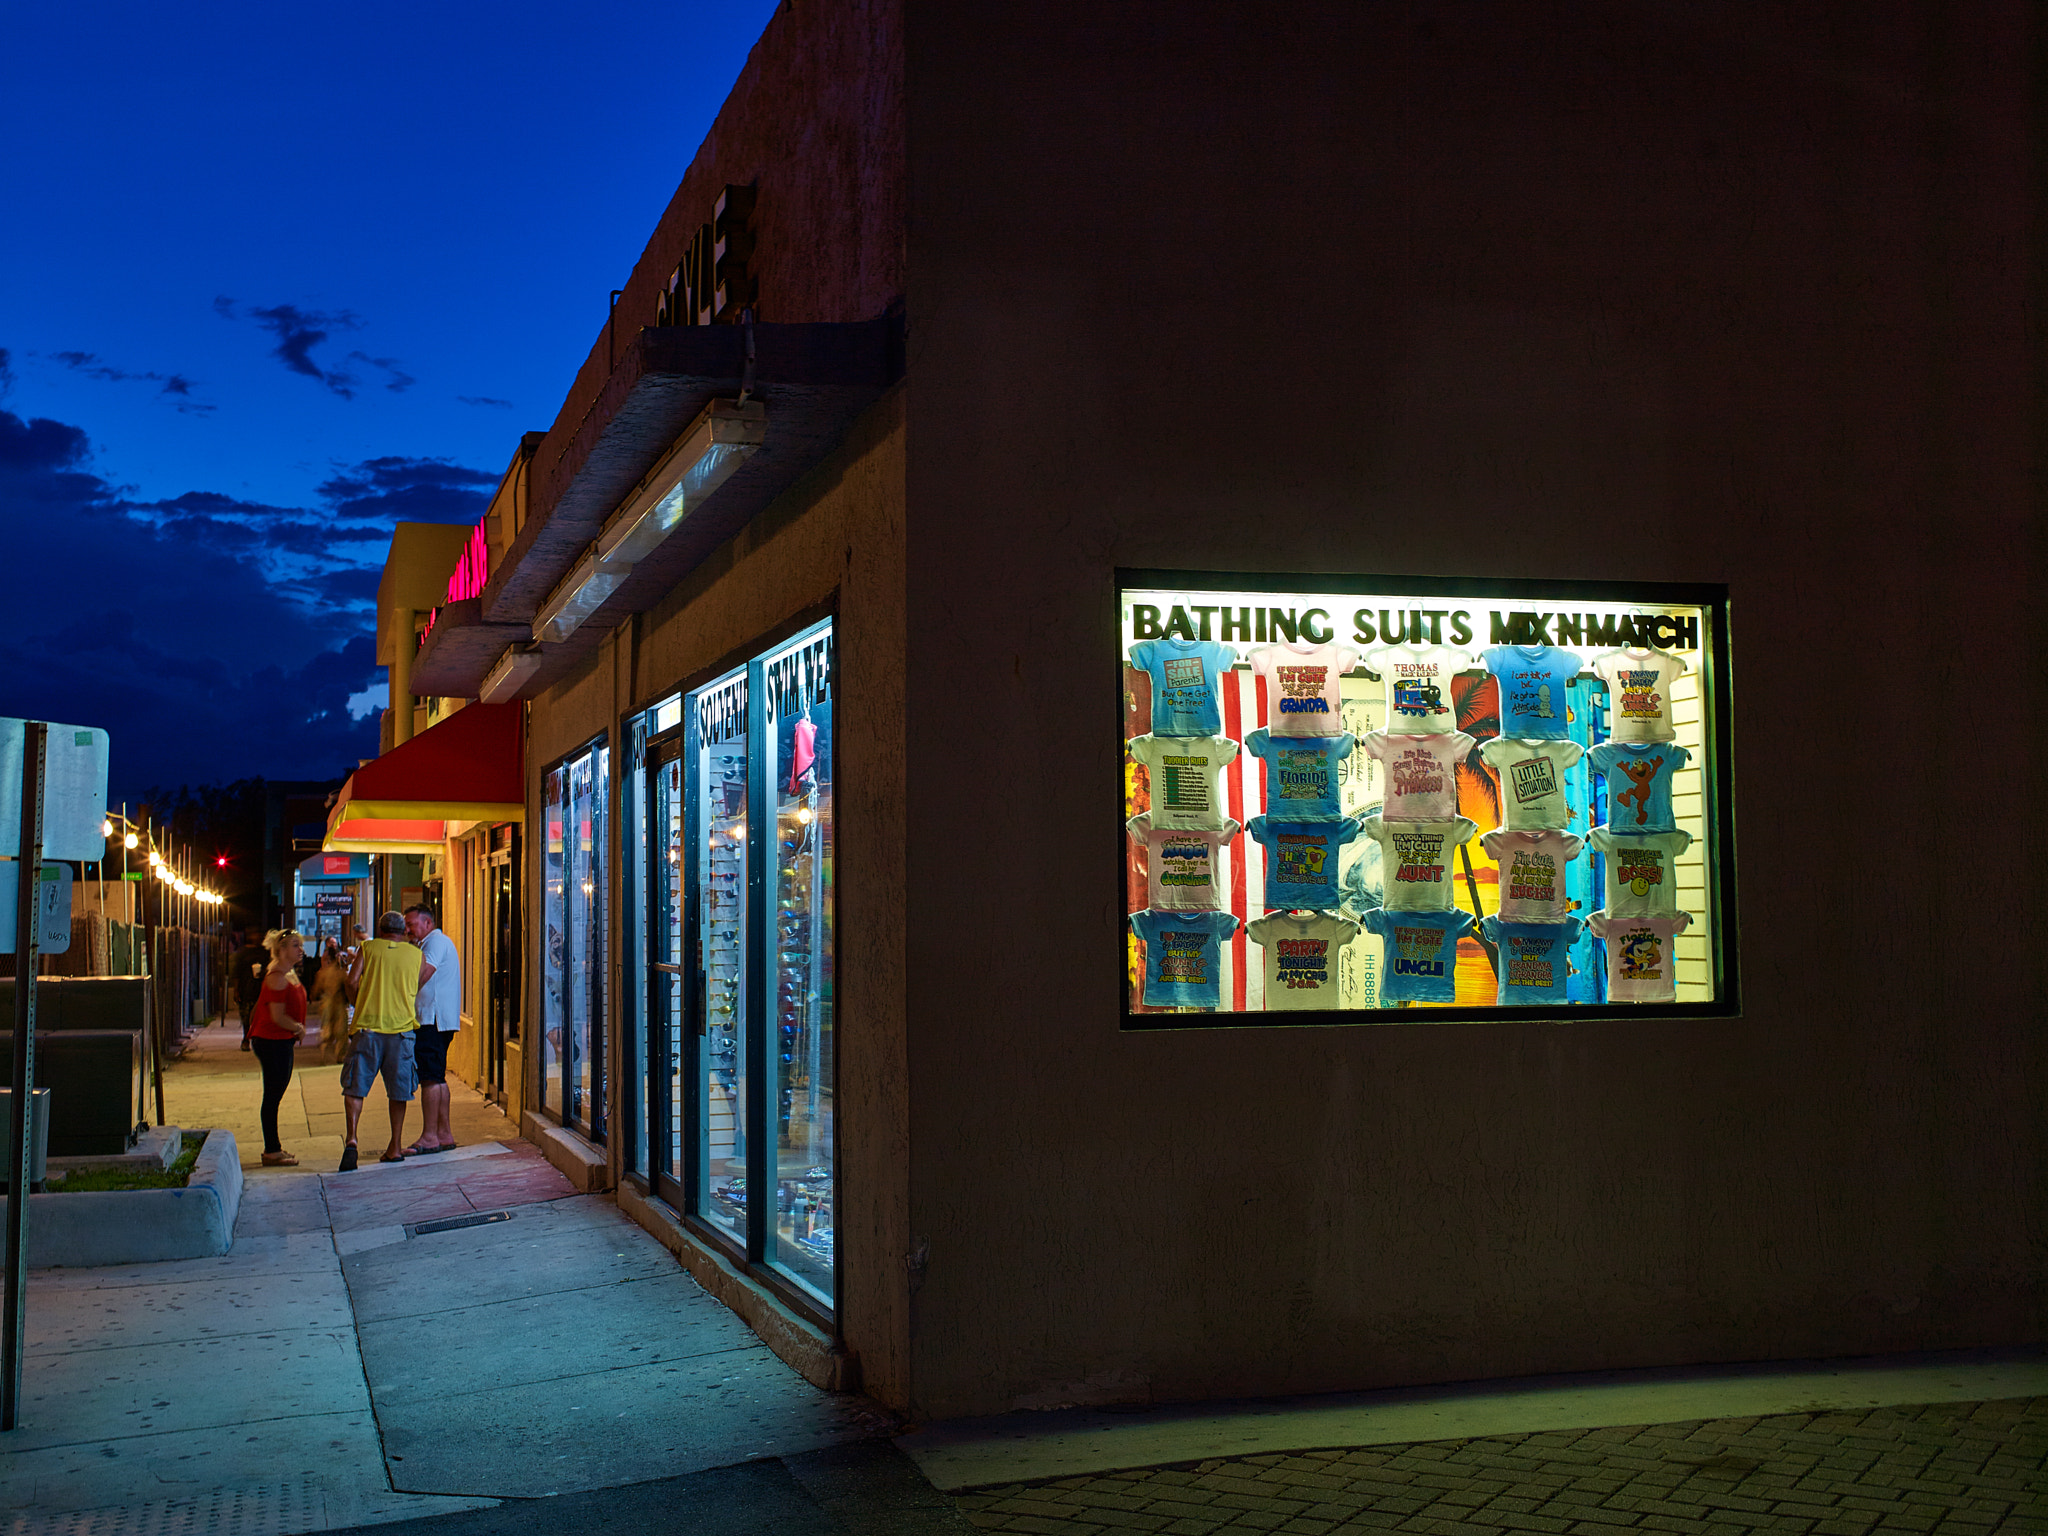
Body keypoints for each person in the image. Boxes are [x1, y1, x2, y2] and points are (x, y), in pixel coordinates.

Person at [338, 910, 435, 1170]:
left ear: (380, 930)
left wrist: (357, 1001)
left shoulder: (367, 949)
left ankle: (352, 1139)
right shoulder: (417, 955)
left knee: (355, 1087)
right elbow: (416, 984)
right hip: (402, 1032)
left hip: (367, 1028)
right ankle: (394, 1146)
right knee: (399, 1091)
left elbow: (351, 980)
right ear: (403, 931)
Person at [403, 905, 461, 1155]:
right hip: (437, 1020)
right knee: (437, 1076)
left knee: (429, 1078)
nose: (407, 930)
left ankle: (429, 1136)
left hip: (432, 1020)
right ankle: (444, 1134)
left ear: (427, 923)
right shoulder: (431, 943)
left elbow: (420, 976)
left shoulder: (434, 942)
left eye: (411, 924)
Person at [249, 929, 308, 1166]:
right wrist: (298, 1028)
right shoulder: (277, 975)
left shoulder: (288, 971)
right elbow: (277, 1016)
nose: (300, 949)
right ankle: (271, 1150)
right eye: (295, 945)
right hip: (272, 1040)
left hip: (280, 1040)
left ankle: (274, 1147)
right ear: (282, 950)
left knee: (275, 1093)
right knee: (273, 1094)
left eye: (300, 945)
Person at [229, 927, 269, 1051]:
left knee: (261, 1016)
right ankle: (246, 1039)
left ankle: (260, 1039)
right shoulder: (243, 952)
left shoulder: (264, 952)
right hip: (246, 988)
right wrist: (236, 990)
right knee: (246, 1017)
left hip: (260, 988)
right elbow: (237, 972)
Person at [313, 939, 350, 1063]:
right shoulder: (341, 973)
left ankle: (325, 1055)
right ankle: (340, 1056)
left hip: (326, 1003)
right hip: (339, 1003)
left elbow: (315, 991)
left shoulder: (322, 974)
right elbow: (347, 989)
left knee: (327, 1030)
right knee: (341, 1032)